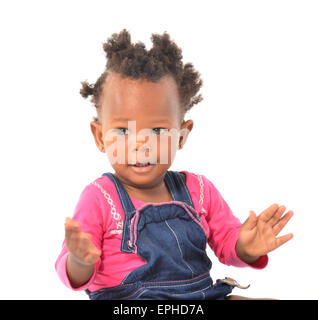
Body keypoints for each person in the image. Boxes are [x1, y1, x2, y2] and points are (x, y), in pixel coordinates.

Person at [55, 29, 294, 300]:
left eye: (157, 131)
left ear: (182, 134)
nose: (140, 144)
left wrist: (246, 246)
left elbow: (228, 243)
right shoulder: (98, 198)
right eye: (123, 131)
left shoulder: (200, 190)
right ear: (100, 136)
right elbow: (72, 272)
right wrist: (81, 261)